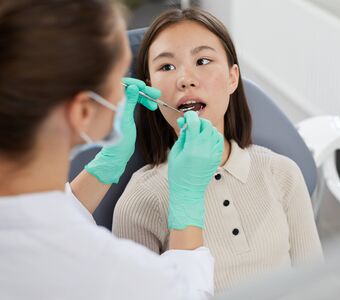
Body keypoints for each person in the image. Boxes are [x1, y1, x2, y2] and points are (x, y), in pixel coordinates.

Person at [0, 1, 224, 299]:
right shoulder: (110, 274)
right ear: (83, 112)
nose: (185, 79)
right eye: (116, 79)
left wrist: (104, 167)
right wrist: (187, 207)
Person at [112, 8, 323, 293]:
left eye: (203, 60)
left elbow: (318, 284)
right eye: (166, 67)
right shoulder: (140, 200)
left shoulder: (281, 172)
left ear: (233, 77)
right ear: (150, 90)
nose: (185, 79)